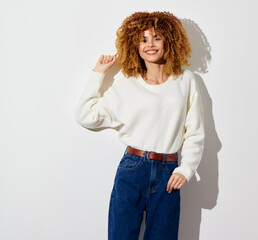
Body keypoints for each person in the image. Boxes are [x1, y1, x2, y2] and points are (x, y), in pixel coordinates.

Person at [74, 11, 205, 240]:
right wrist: (98, 74)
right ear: (134, 45)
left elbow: (195, 132)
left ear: (169, 41)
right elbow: (85, 115)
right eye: (143, 40)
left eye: (156, 38)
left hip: (168, 173)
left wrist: (187, 169)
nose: (150, 45)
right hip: (132, 169)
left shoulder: (186, 81)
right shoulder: (126, 85)